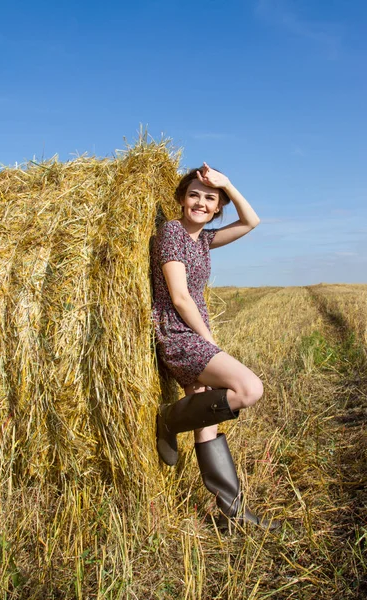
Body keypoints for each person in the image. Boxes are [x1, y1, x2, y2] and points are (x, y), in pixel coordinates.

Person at [151, 162, 278, 530]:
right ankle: (169, 417)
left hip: (193, 333)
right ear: (181, 198)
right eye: (194, 195)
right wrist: (209, 340)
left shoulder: (204, 240)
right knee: (249, 388)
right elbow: (179, 297)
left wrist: (227, 184)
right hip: (179, 334)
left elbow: (250, 221)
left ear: (218, 207)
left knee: (205, 420)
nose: (201, 203)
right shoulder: (172, 232)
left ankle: (231, 512)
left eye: (210, 199)